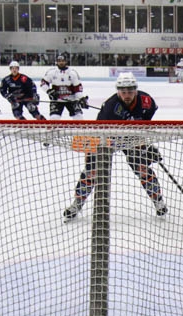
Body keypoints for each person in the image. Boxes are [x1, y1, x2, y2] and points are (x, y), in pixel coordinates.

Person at [63, 72, 167, 221]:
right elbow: (98, 134)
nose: (127, 95)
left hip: (132, 138)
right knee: (92, 170)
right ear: (118, 91)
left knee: (141, 167)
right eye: (123, 92)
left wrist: (145, 146)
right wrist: (91, 156)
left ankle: (158, 200)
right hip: (108, 139)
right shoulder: (110, 107)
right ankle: (78, 202)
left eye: (130, 91)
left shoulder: (147, 101)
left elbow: (146, 124)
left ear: (135, 90)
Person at [41, 53, 87, 118]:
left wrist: (81, 99)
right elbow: (43, 83)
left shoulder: (72, 73)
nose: (61, 62)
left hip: (72, 100)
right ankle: (55, 129)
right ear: (56, 62)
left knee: (79, 117)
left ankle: (79, 128)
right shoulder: (51, 72)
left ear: (66, 61)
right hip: (57, 100)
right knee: (54, 118)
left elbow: (77, 88)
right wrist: (49, 91)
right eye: (59, 61)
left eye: (63, 61)